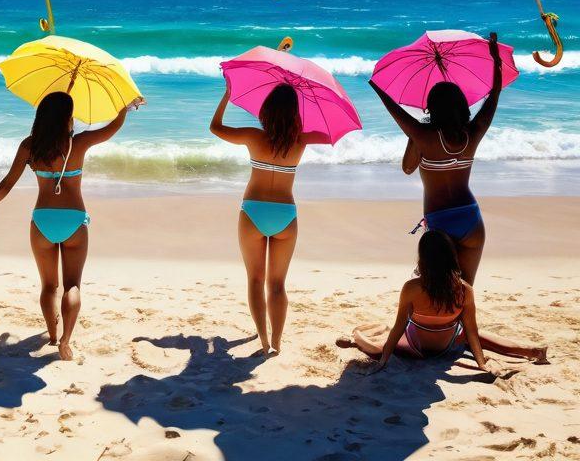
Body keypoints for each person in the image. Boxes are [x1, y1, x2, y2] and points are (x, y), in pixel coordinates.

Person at [0, 92, 140, 361]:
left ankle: (51, 335)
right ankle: (65, 340)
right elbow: (112, 128)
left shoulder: (30, 146)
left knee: (49, 286)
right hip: (74, 219)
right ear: (67, 117)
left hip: (42, 221)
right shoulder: (79, 143)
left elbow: (7, 182)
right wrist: (126, 107)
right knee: (72, 284)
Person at [369, 32, 503, 284]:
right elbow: (494, 95)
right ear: (462, 106)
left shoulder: (424, 136)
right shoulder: (473, 133)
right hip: (471, 220)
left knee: (438, 290)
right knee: (466, 291)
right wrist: (495, 59)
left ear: (430, 108)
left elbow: (407, 167)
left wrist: (376, 85)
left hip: (440, 222)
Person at [210, 82, 327, 356]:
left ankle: (262, 340)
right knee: (277, 284)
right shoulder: (301, 140)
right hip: (286, 214)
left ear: (266, 111)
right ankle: (277, 342)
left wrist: (228, 94)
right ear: (294, 113)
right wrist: (306, 112)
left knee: (255, 280)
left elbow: (215, 127)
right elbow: (329, 135)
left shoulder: (253, 136)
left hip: (253, 212)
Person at [339, 230, 547, 372]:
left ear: (423, 257)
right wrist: (480, 362)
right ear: (451, 256)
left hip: (417, 346)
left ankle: (355, 339)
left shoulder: (412, 287)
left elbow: (399, 327)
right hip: (447, 344)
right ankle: (529, 351)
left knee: (373, 342)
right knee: (475, 334)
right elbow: (472, 331)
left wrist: (384, 359)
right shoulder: (465, 289)